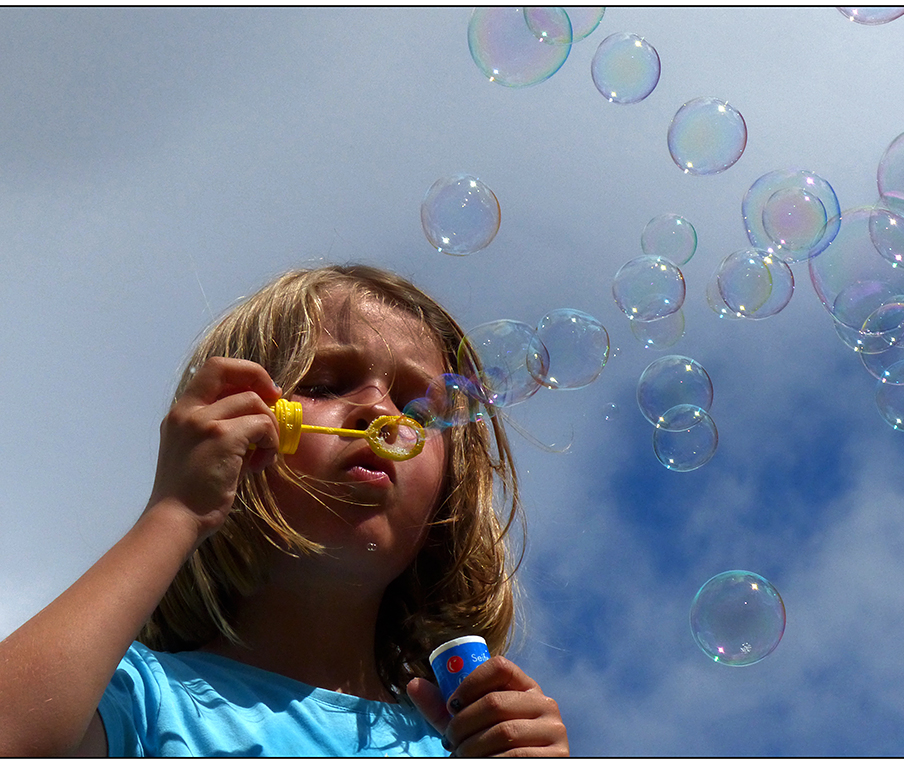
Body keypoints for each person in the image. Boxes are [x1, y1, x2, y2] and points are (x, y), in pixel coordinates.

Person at [0, 264, 569, 756]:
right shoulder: (141, 699)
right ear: (236, 430)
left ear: (450, 494)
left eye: (419, 412)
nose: (379, 412)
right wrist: (176, 510)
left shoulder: (466, 745)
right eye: (324, 385)